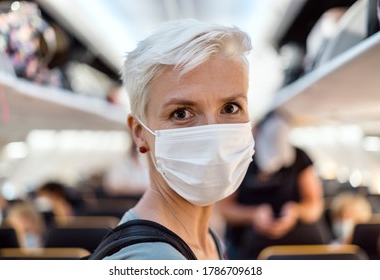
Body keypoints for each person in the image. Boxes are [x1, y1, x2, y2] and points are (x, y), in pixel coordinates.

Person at [101, 19, 255, 260]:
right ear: (140, 133)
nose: (214, 136)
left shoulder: (207, 241)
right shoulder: (151, 260)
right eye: (181, 113)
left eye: (230, 108)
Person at [218, 111, 329, 260]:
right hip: (246, 244)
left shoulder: (300, 158)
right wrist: (253, 215)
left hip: (296, 243)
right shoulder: (238, 159)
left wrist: (296, 212)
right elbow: (225, 208)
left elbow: (315, 205)